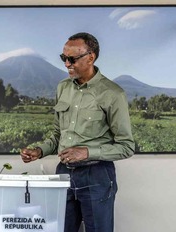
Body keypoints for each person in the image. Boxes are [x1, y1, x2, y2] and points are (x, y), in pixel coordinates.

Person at [20, 32, 135, 232]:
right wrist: (39, 150)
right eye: (63, 58)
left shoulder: (113, 94)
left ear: (91, 57)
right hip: (63, 175)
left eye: (72, 59)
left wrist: (86, 152)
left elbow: (126, 147)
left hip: (97, 175)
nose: (66, 64)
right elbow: (57, 134)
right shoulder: (62, 88)